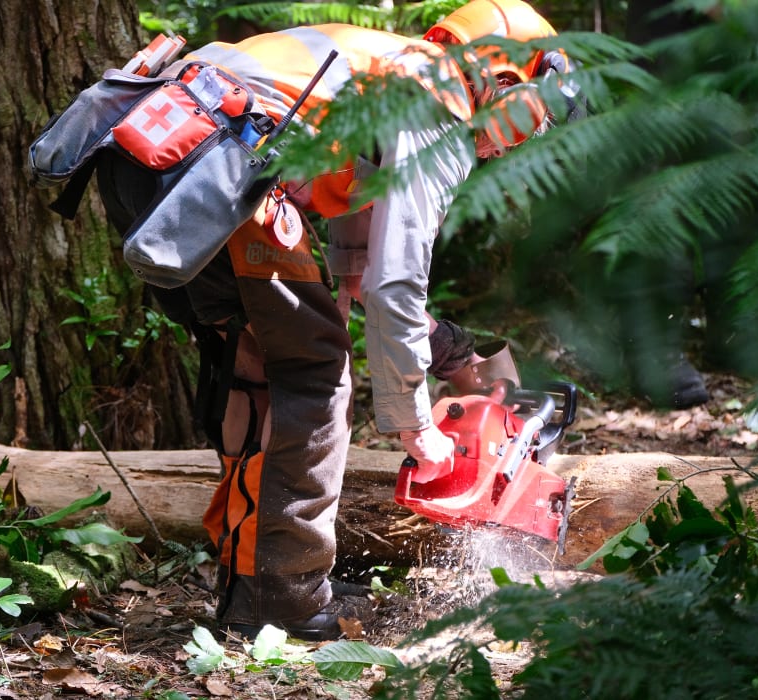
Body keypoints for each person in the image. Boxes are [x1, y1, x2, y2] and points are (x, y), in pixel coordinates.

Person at [32, 0, 577, 640]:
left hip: (153, 147)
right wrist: (415, 424)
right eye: (523, 122)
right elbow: (398, 281)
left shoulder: (393, 67)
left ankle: (256, 582)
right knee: (314, 370)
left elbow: (363, 205)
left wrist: (349, 280)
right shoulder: (439, 105)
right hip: (214, 165)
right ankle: (285, 599)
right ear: (501, 80)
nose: (510, 143)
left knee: (259, 361)